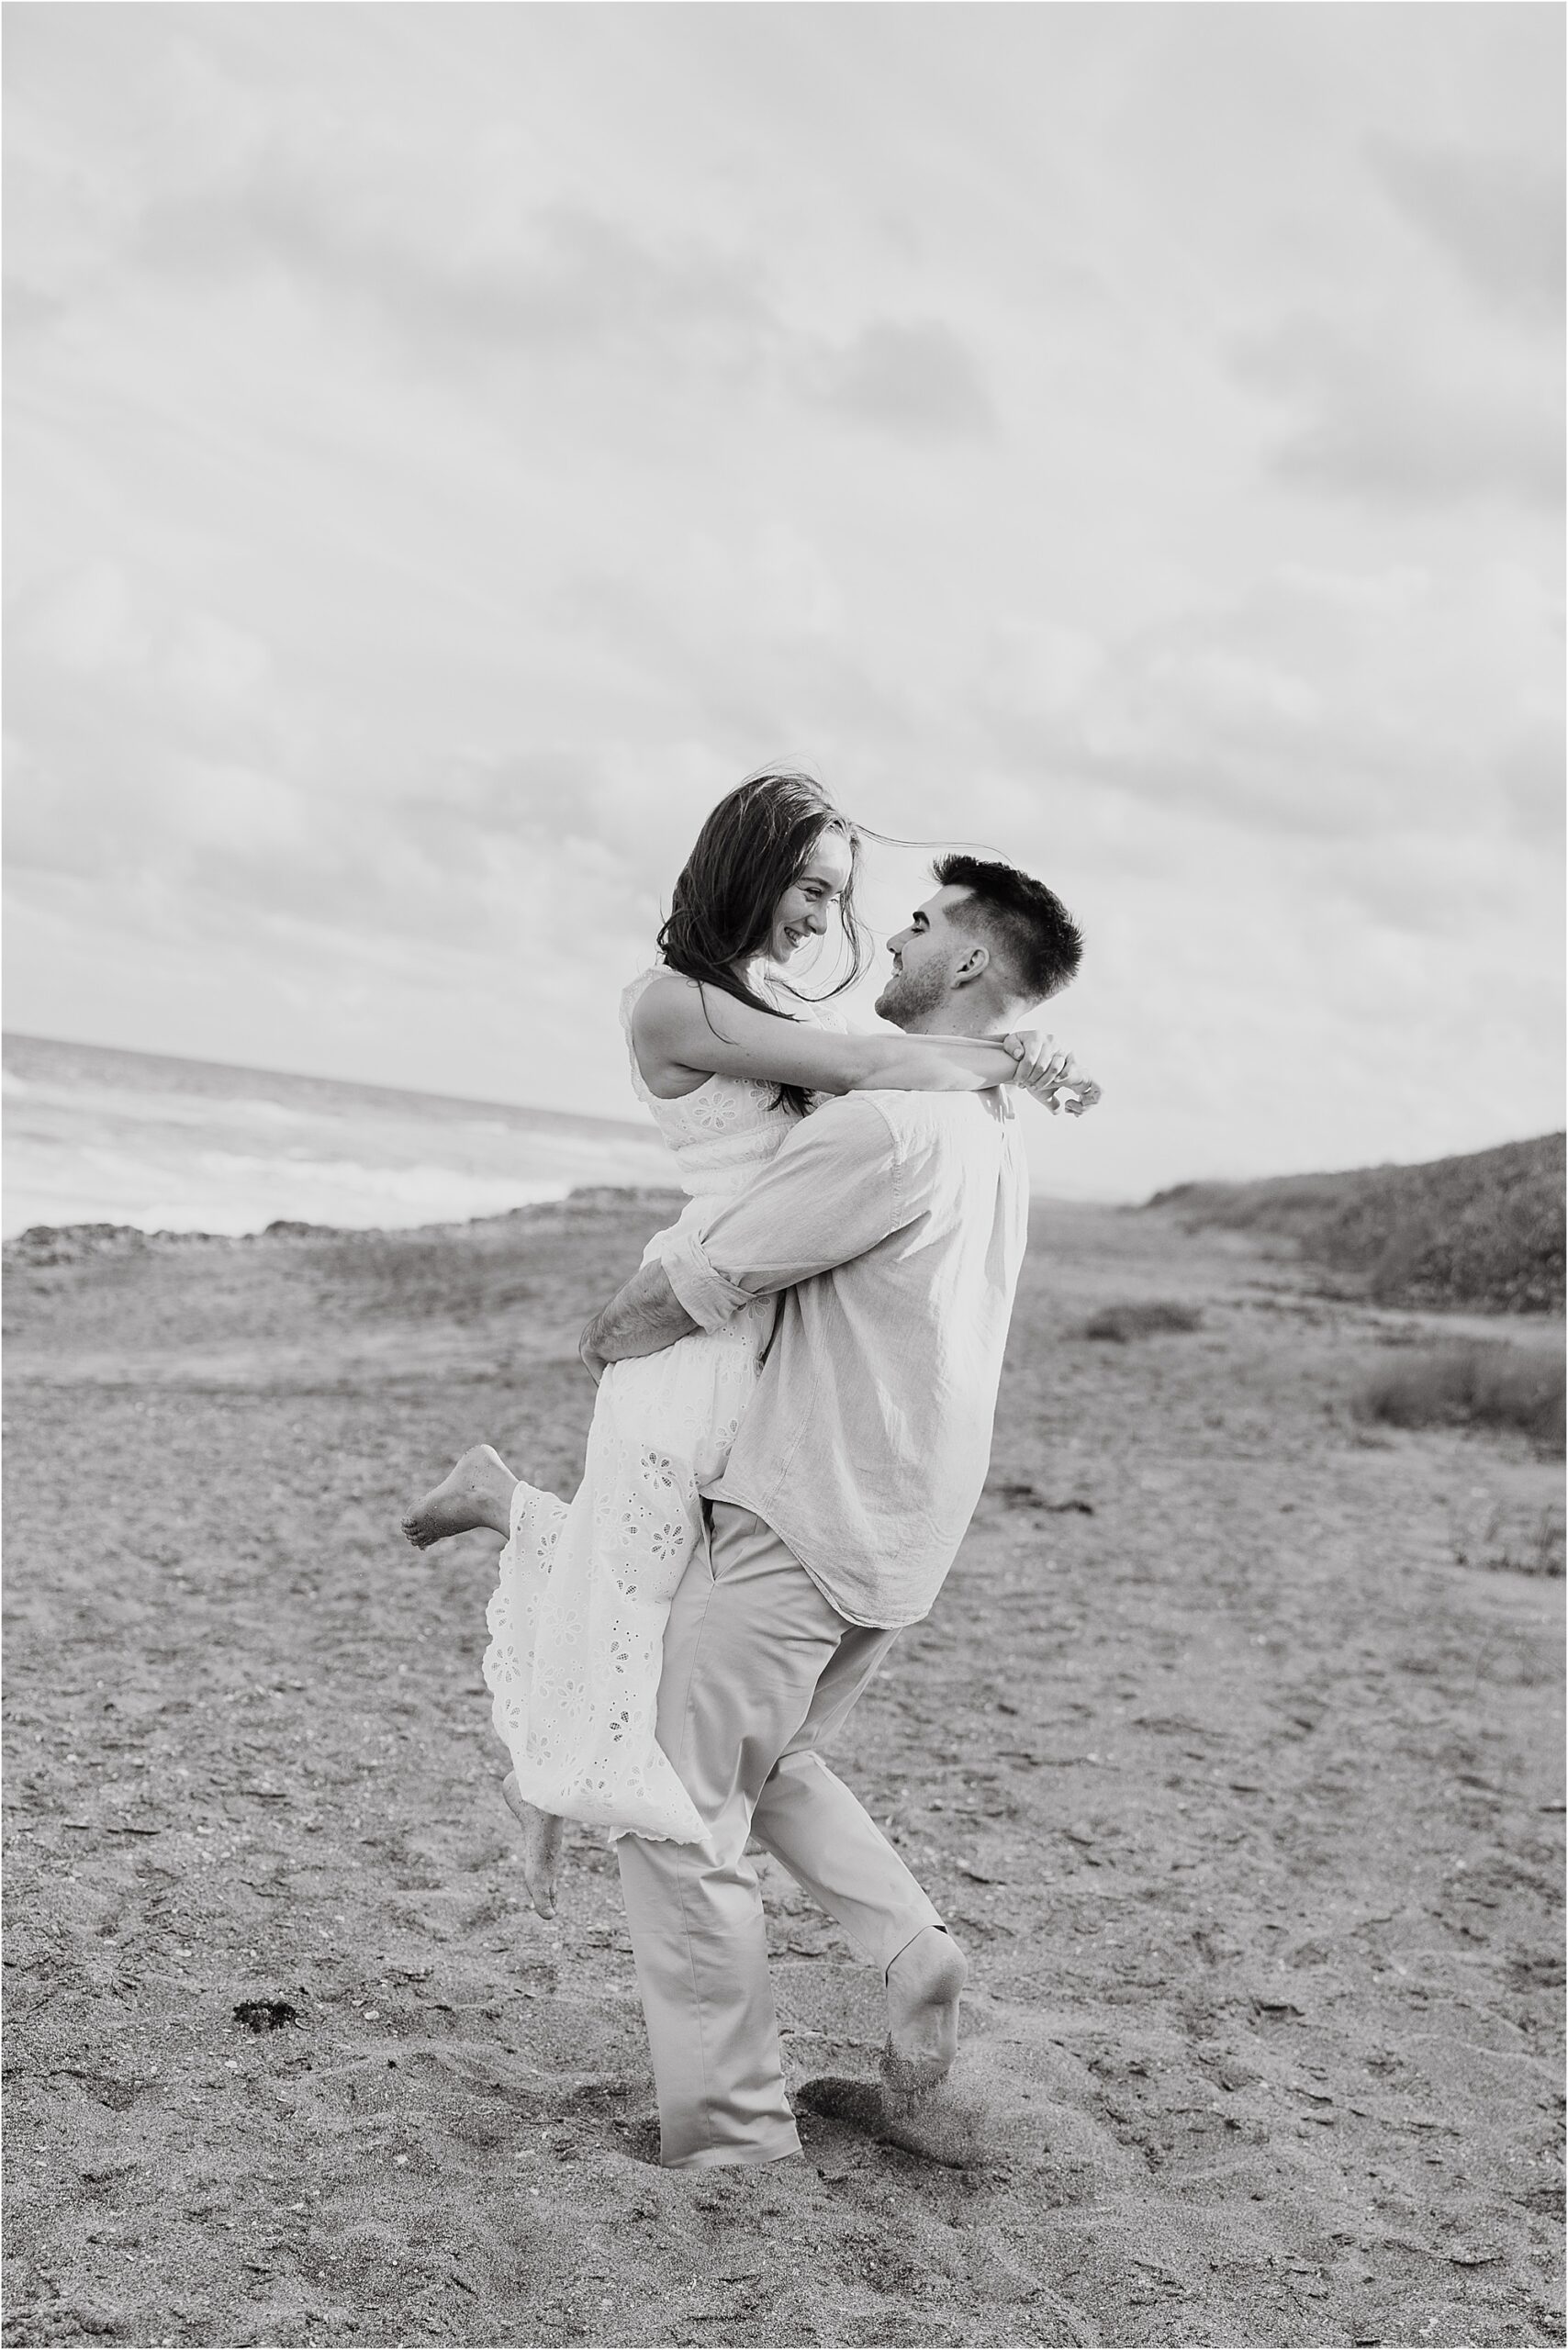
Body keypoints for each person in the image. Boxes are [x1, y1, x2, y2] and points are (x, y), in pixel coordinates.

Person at [401, 772, 1096, 1925]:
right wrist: (1013, 1060)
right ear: (751, 865)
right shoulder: (670, 1001)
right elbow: (875, 1073)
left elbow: (880, 1081)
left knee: (666, 1590)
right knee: (639, 1575)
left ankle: (507, 1531)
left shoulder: (769, 1000)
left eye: (840, 895)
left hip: (766, 1314)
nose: (827, 918)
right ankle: (544, 1789)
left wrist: (1004, 1059)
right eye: (812, 887)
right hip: (708, 1306)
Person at [576, 847, 1086, 2168]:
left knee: (677, 1813)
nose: (894, 938)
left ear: (970, 961)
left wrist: (608, 1338)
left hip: (807, 1513)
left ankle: (732, 2135)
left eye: (921, 923)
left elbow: (709, 1276)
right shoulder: (989, 1130)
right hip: (905, 1534)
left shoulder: (891, 1124)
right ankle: (913, 1952)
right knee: (776, 1759)